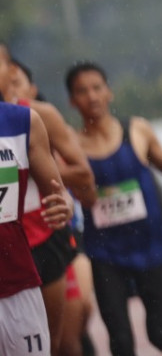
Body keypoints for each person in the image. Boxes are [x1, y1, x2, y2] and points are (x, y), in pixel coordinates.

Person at [66, 61, 162, 356]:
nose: (92, 96)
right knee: (121, 342)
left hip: (152, 248)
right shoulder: (71, 146)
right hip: (105, 255)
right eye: (82, 91)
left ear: (109, 92)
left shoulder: (137, 130)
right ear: (72, 101)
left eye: (97, 88)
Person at [5, 59, 97, 356]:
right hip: (16, 248)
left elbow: (80, 179)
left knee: (61, 343)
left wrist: (64, 201)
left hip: (42, 244)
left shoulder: (33, 118)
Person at [1, 42, 73, 356]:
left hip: (17, 281)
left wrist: (65, 205)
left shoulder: (25, 121)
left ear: (10, 71)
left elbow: (57, 192)